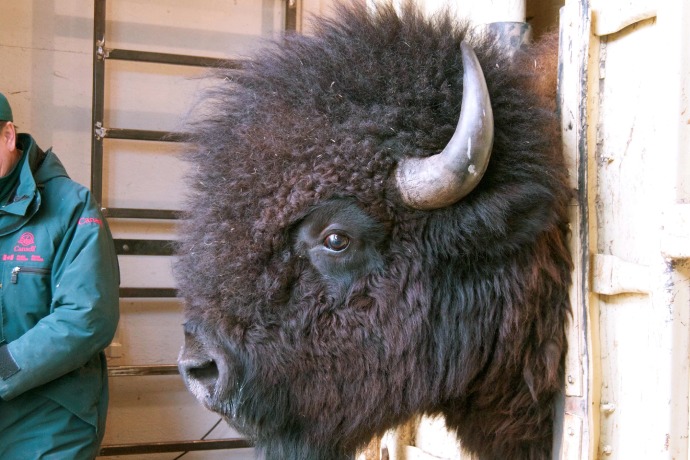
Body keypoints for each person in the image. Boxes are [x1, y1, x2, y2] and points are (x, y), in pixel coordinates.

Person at [0, 92, 120, 459]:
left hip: (48, 420)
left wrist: (3, 368)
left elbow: (87, 316)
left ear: (7, 136)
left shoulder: (71, 207)